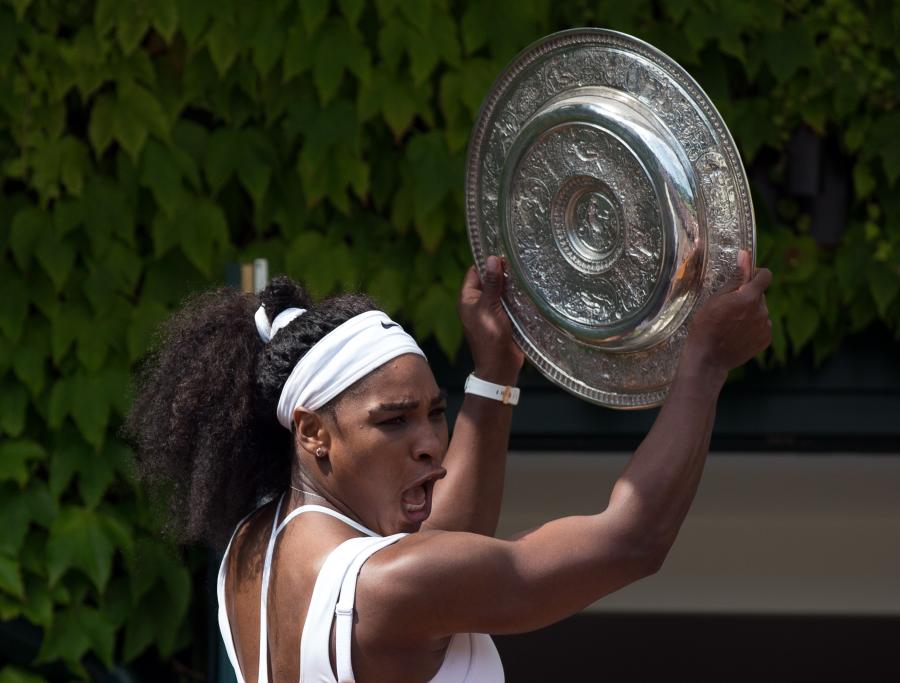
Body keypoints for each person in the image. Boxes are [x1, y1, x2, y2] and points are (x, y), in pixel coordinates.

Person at [125, 251, 771, 683]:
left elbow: (443, 541)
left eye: (437, 413)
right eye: (394, 420)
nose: (431, 443)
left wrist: (493, 373)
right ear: (314, 432)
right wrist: (705, 365)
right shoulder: (392, 587)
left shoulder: (251, 551)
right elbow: (634, 538)